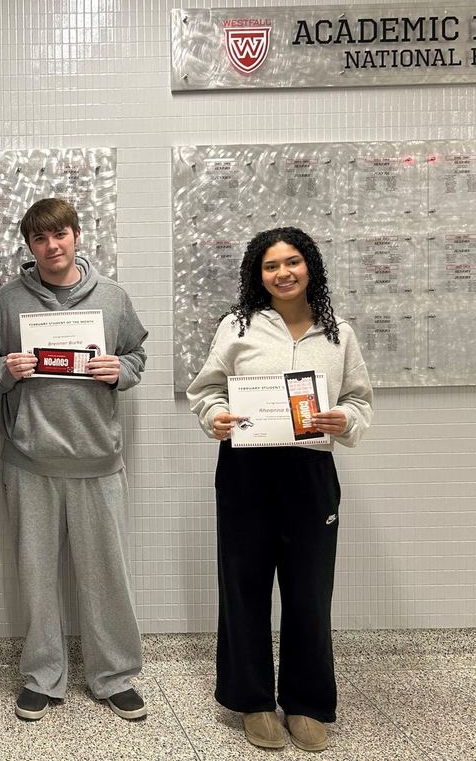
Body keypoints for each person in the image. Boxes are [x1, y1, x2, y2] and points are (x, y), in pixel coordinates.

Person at [186, 226, 373, 752]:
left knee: (310, 590)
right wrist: (217, 416)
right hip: (246, 471)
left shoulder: (339, 334)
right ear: (257, 274)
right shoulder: (238, 327)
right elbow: (205, 390)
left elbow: (360, 400)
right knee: (243, 587)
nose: (283, 273)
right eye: (271, 266)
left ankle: (308, 703)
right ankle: (253, 703)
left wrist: (343, 420)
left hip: (310, 473)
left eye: (292, 262)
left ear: (309, 266)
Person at [0, 198, 149, 722]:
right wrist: (8, 368)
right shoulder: (9, 301)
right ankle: (42, 675)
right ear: (29, 247)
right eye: (40, 240)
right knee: (36, 576)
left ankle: (114, 675)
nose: (52, 247)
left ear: (77, 236)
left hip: (98, 459)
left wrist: (119, 369)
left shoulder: (114, 298)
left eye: (60, 236)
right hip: (31, 460)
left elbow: (138, 356)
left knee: (106, 576)